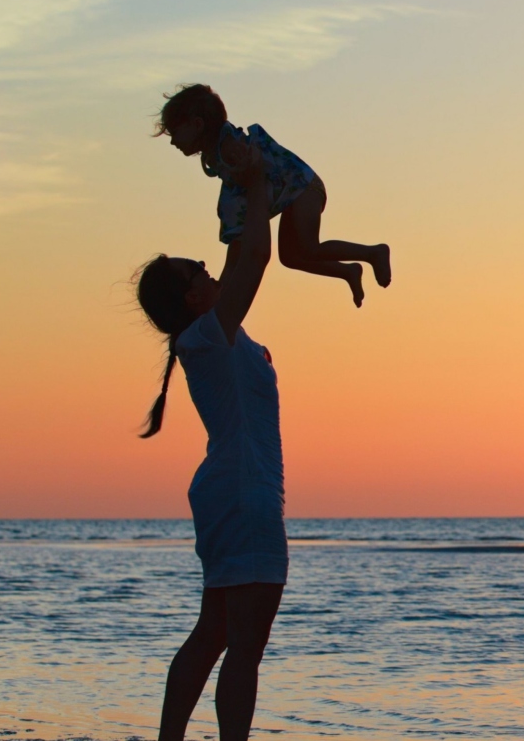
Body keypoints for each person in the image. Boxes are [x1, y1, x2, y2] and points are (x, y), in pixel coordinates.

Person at [136, 146, 285, 740]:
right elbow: (254, 256)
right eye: (193, 268)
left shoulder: (211, 334)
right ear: (192, 297)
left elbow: (236, 247)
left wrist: (240, 187)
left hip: (232, 492)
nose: (205, 263)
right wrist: (255, 182)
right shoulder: (206, 334)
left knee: (216, 632)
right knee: (242, 647)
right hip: (243, 496)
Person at [156, 83, 392, 307]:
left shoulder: (230, 149)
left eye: (174, 132)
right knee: (290, 258)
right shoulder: (215, 153)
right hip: (292, 193)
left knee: (308, 247)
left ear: (197, 125)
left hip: (303, 186)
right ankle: (348, 271)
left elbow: (248, 187)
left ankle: (372, 252)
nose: (173, 141)